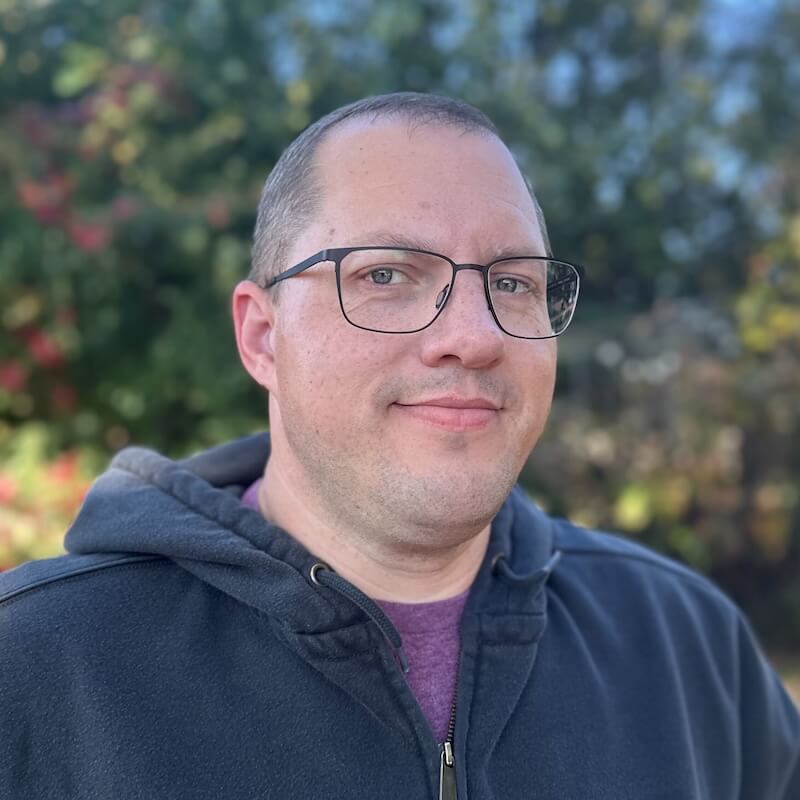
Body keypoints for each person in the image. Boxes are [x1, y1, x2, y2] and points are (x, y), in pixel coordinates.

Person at [1, 92, 797, 800]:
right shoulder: (37, 672)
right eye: (386, 275)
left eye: (513, 282)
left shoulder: (691, 650)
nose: (473, 337)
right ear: (262, 337)